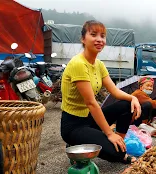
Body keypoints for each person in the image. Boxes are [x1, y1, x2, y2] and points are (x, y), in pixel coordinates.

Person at [60, 20, 143, 164]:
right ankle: (76, 143)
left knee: (126, 105)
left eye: (103, 36)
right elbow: (91, 103)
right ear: (83, 39)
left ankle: (119, 142)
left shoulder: (99, 65)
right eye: (93, 35)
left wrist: (133, 98)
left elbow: (115, 92)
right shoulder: (78, 64)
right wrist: (109, 133)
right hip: (73, 126)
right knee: (118, 154)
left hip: (90, 120)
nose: (99, 39)